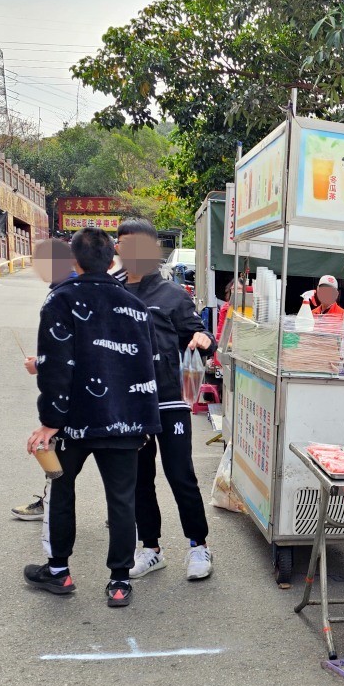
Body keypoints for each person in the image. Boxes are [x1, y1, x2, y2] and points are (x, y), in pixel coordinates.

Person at [24, 227, 161, 608]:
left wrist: (50, 421)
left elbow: (55, 366)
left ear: (73, 260)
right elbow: (145, 368)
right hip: (123, 421)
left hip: (73, 421)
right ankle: (119, 581)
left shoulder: (60, 301)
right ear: (113, 260)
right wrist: (145, 422)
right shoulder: (135, 307)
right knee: (121, 500)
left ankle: (58, 572)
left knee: (61, 491)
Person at [114, 218, 217, 581]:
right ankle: (151, 549)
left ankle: (198, 546)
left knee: (180, 475)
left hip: (170, 399)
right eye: (121, 245)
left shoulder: (173, 295)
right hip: (131, 404)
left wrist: (205, 340)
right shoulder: (113, 292)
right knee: (140, 478)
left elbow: (199, 333)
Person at [12, 239, 80, 522]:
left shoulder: (65, 295)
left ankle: (54, 513)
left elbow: (74, 353)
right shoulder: (72, 289)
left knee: (59, 462)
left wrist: (40, 365)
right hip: (89, 396)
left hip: (75, 398)